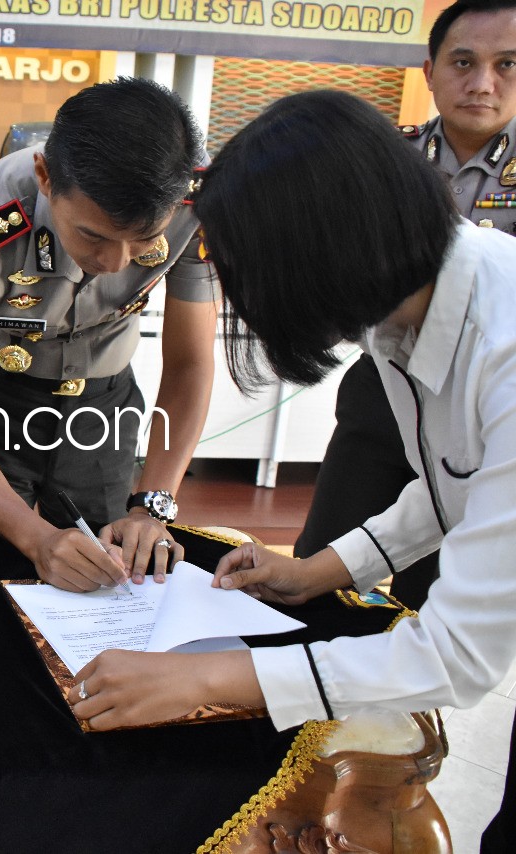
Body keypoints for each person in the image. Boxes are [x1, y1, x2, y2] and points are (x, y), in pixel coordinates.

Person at [67, 89, 516, 852]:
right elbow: (456, 483)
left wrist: (210, 678)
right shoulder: (410, 307)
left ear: (321, 254)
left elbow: (459, 656)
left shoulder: (503, 349)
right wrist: (321, 571)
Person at [0, 77, 218, 593]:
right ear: (45, 177)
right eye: (92, 235)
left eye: (143, 241)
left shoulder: (196, 204)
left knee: (113, 573)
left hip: (104, 404)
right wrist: (36, 540)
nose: (114, 263)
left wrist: (151, 507)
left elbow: (190, 363)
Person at [294, 0, 516, 610]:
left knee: (441, 586)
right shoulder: (377, 162)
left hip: (489, 391)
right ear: (430, 71)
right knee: (321, 564)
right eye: (463, 62)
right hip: (386, 381)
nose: (482, 83)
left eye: (507, 64)